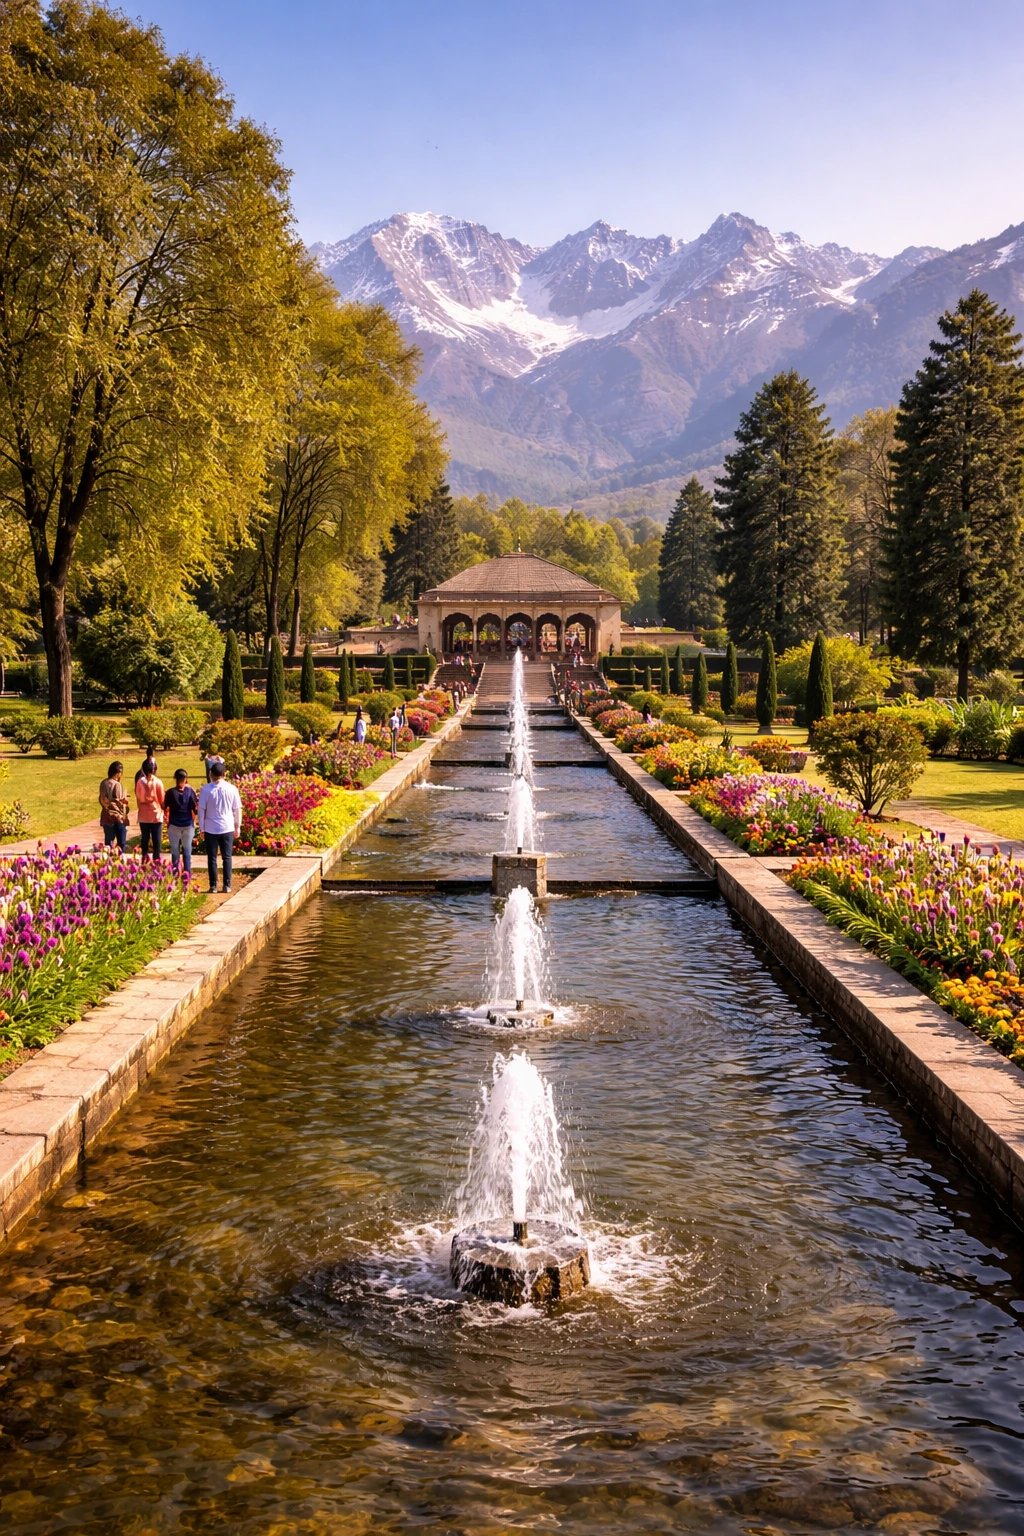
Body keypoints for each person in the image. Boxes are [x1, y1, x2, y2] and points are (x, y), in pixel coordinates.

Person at [198, 761, 242, 894]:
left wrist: (201, 828)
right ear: (224, 774)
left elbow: (201, 810)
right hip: (227, 827)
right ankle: (227, 885)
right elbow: (237, 809)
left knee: (212, 858)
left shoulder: (206, 789)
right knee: (227, 857)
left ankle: (213, 886)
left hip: (211, 827)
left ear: (211, 774)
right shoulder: (232, 789)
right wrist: (237, 826)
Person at [164, 768, 198, 877]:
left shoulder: (170, 793)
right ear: (185, 779)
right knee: (187, 851)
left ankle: (175, 874)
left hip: (174, 825)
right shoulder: (190, 792)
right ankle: (187, 875)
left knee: (175, 852)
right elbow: (195, 809)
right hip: (187, 825)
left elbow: (164, 807)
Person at [135, 761, 165, 861]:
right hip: (156, 815)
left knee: (145, 840)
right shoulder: (158, 782)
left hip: (143, 815)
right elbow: (162, 800)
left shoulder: (140, 782)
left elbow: (138, 797)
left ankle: (144, 860)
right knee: (156, 841)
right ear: (155, 770)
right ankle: (156, 862)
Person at [98, 761, 130, 853]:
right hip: (117, 816)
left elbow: (102, 799)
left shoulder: (103, 783)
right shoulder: (117, 785)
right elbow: (119, 802)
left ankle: (108, 863)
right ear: (118, 773)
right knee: (121, 843)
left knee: (108, 843)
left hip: (106, 815)